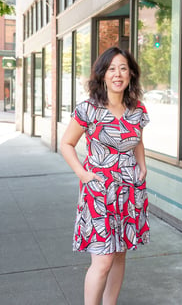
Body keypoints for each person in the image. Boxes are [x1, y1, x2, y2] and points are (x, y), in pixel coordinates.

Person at [60, 47, 150, 305]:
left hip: (130, 191)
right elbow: (67, 143)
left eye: (123, 68)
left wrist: (142, 166)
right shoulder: (88, 109)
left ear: (131, 74)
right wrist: (83, 174)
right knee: (103, 260)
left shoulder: (137, 110)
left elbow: (137, 140)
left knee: (120, 255)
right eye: (112, 69)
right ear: (102, 75)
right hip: (99, 192)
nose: (118, 74)